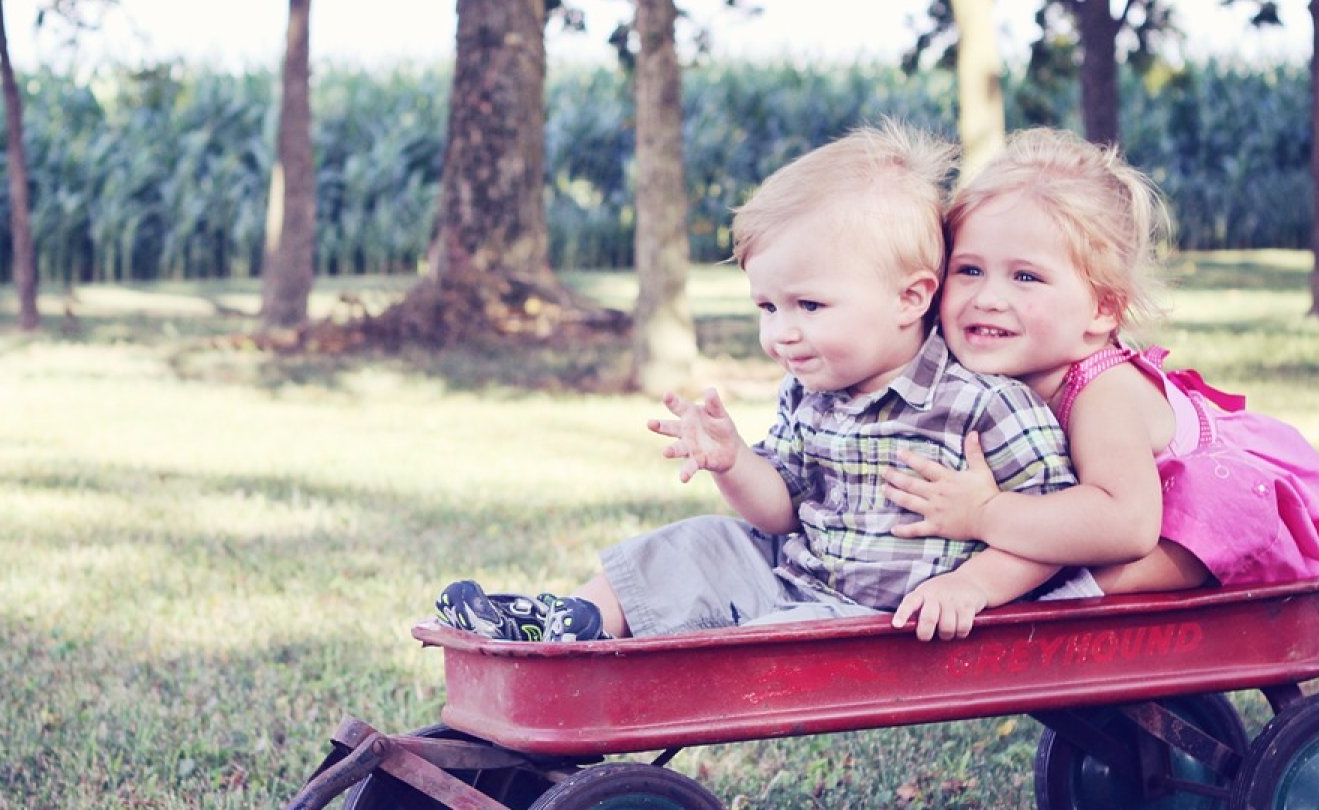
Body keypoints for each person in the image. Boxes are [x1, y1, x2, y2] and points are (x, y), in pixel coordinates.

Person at [435, 121, 1094, 645]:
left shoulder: (982, 404)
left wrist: (973, 585)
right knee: (701, 540)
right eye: (767, 308)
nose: (781, 332)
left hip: (883, 623)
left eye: (809, 307)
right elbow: (779, 511)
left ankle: (628, 665)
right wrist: (734, 463)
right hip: (797, 580)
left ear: (909, 297)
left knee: (759, 645)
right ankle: (571, 621)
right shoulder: (810, 389)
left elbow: (1054, 535)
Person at [885, 127, 1319, 603]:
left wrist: (985, 513)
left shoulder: (1102, 394)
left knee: (1132, 538)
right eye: (969, 270)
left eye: (1026, 276)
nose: (987, 298)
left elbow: (1127, 525)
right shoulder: (991, 375)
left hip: (1225, 514)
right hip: (1127, 511)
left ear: (1102, 309)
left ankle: (1075, 594)